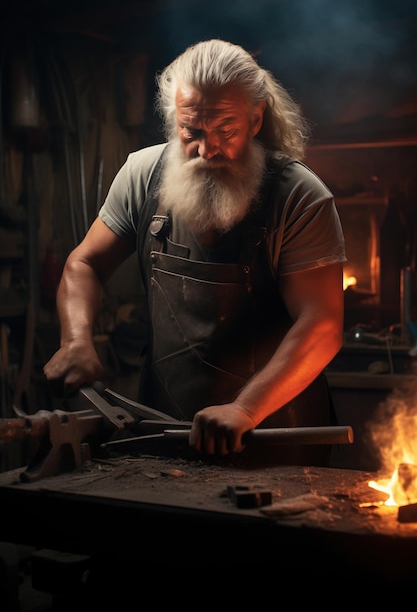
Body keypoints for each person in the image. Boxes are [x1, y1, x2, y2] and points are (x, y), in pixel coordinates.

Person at [43, 38, 347, 466]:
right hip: (163, 432)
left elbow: (322, 324)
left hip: (277, 442)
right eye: (192, 132)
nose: (207, 150)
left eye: (226, 129)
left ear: (256, 117)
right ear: (174, 120)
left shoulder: (299, 197)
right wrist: (75, 339)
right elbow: (85, 262)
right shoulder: (143, 176)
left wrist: (245, 409)